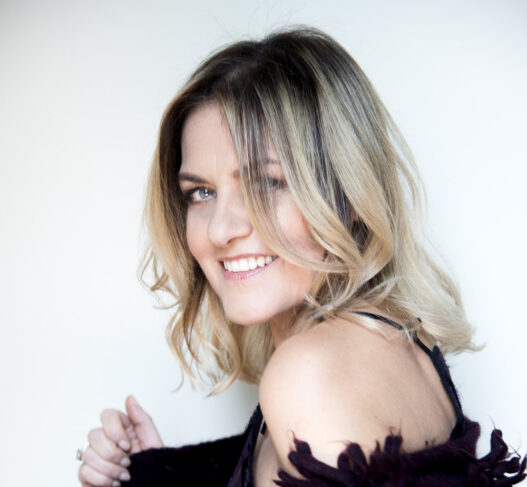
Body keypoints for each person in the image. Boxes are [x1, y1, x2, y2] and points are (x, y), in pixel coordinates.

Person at [77, 27, 526, 486]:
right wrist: (159, 471)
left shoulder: (309, 373)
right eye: (201, 192)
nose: (220, 230)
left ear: (349, 194)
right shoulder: (396, 343)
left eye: (267, 183)